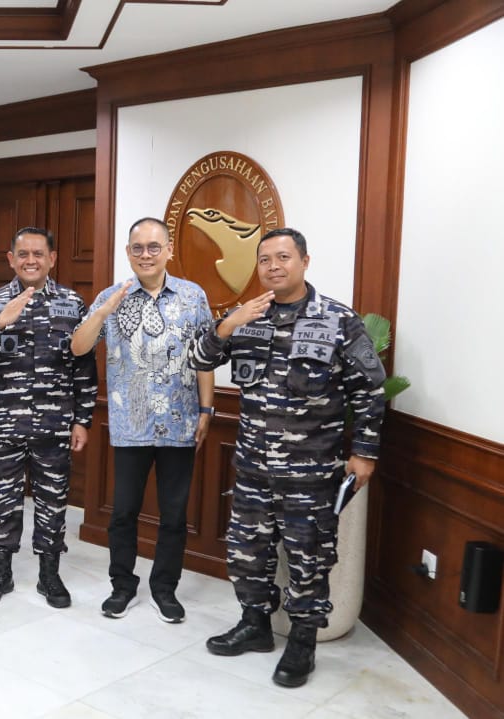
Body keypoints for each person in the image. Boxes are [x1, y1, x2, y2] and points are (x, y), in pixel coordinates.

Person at [189, 227, 386, 688]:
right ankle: (255, 625)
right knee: (246, 553)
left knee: (309, 559)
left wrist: (364, 453)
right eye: (265, 260)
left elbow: (370, 391)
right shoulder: (248, 317)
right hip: (253, 467)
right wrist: (228, 323)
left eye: (283, 257)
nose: (273, 267)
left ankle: (302, 642)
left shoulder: (337, 320)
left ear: (304, 261)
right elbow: (199, 358)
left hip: (310, 473)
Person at [70, 217, 214, 623]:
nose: (146, 255)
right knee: (123, 512)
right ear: (128, 252)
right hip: (130, 424)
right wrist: (103, 311)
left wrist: (207, 410)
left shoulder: (193, 296)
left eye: (154, 247)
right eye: (138, 248)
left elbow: (204, 357)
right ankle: (122, 585)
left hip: (180, 423)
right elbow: (78, 347)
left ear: (169, 250)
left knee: (174, 514)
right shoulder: (111, 296)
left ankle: (165, 589)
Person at [0, 226, 97, 608]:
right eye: (23, 254)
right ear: (11, 259)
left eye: (39, 254)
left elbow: (84, 365)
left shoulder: (72, 303)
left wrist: (83, 419)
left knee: (53, 503)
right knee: (2, 502)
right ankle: (1, 572)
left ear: (52, 259)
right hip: (4, 425)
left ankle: (49, 575)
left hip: (55, 426)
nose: (31, 261)